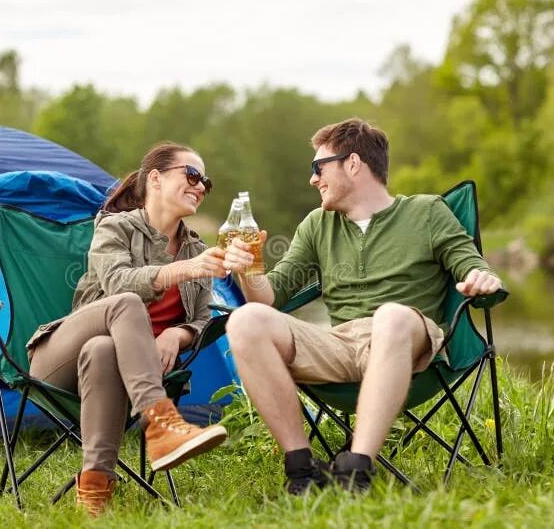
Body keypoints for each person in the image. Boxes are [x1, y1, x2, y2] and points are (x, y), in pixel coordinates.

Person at [222, 118, 504, 495]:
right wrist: (250, 269)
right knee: (246, 321)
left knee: (391, 315)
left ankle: (356, 470)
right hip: (340, 344)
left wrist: (483, 278)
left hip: (411, 340)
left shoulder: (427, 212)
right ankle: (303, 470)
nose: (312, 179)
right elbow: (272, 297)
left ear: (352, 164)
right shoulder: (317, 225)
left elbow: (469, 262)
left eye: (318, 168)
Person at [27, 142, 228, 516]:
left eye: (206, 182)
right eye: (193, 175)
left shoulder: (194, 248)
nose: (201, 186)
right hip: (58, 361)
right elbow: (118, 282)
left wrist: (177, 334)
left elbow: (202, 318)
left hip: (112, 367)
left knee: (103, 350)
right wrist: (186, 270)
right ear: (155, 179)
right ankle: (160, 421)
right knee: (126, 302)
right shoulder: (116, 227)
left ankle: (94, 492)